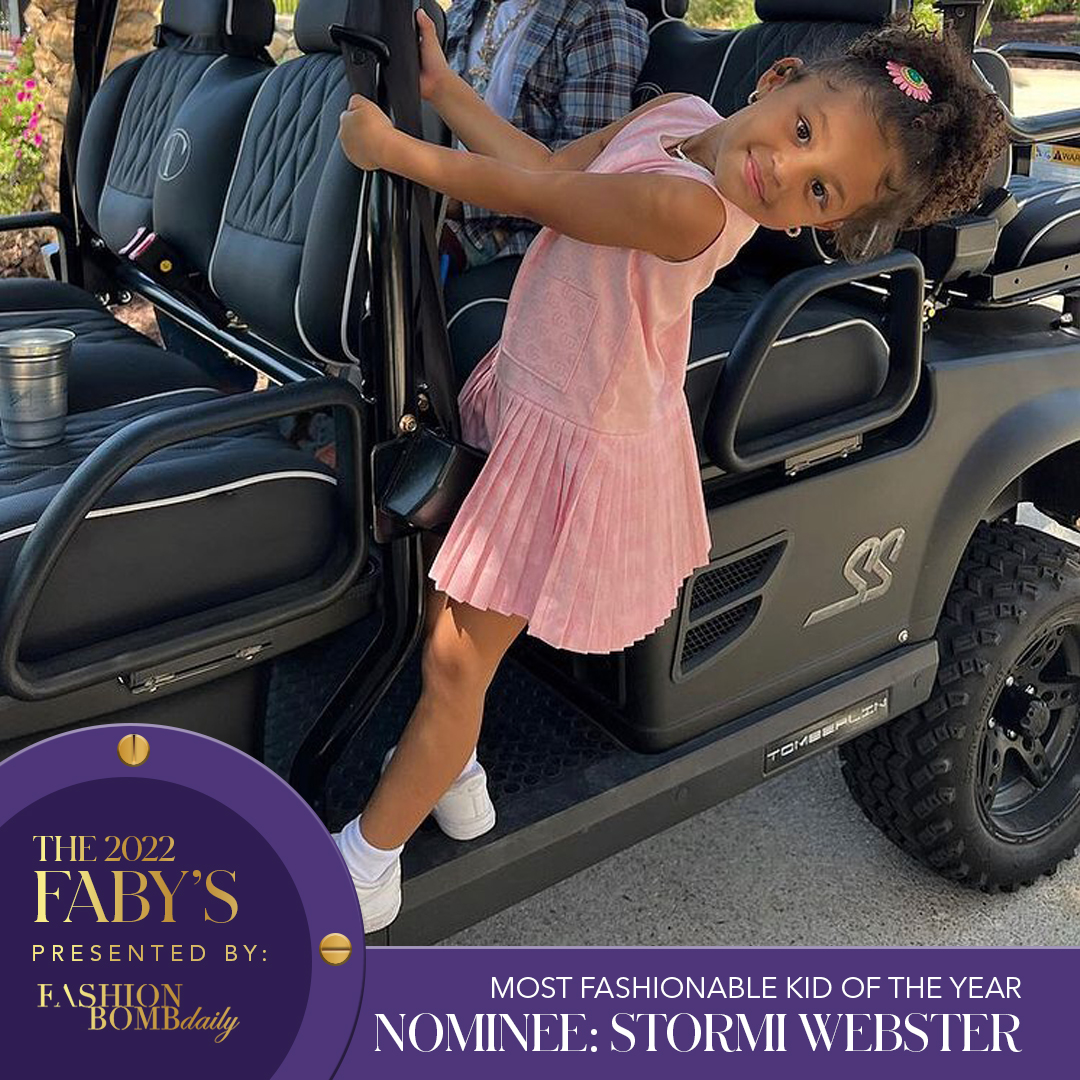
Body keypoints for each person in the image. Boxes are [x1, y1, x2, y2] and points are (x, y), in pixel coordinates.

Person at [334, 12, 1007, 931]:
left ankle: (369, 867)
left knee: (454, 659)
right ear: (776, 81)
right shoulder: (676, 113)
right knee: (451, 627)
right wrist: (445, 89)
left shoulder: (699, 212)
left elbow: (536, 200)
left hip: (576, 435)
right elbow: (550, 167)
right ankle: (455, 778)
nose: (785, 172)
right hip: (539, 388)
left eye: (819, 192)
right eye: (802, 131)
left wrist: (397, 152)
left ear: (823, 222)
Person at [440, 0, 649, 270]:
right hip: (435, 185)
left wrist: (451, 195)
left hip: (504, 234)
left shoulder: (597, 19)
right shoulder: (466, 9)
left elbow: (581, 183)